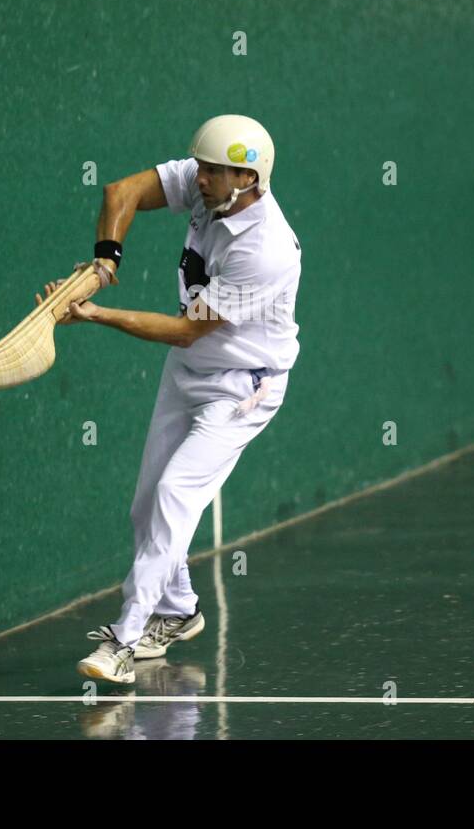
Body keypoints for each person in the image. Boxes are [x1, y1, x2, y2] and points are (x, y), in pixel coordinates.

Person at [35, 114, 302, 684]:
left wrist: (95, 314)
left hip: (241, 387)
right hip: (187, 371)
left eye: (211, 171)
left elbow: (186, 328)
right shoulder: (210, 186)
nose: (197, 178)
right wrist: (104, 265)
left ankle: (123, 641)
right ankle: (178, 611)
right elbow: (121, 192)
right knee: (144, 507)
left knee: (175, 495)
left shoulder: (267, 250)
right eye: (198, 167)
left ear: (247, 178)